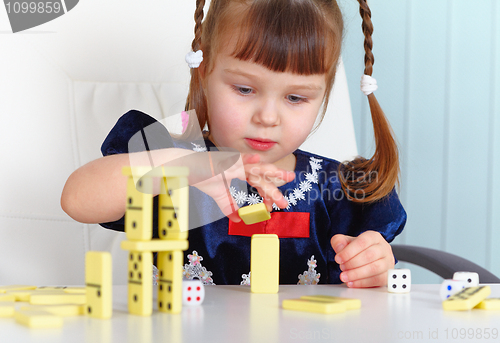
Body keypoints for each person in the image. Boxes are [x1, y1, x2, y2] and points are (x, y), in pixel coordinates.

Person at [61, 0, 406, 287]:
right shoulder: (175, 153)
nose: (267, 117)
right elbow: (77, 199)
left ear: (324, 95)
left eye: (296, 97)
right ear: (204, 70)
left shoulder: (337, 187)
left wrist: (373, 263)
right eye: (244, 89)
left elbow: (365, 288)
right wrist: (187, 166)